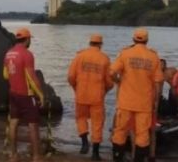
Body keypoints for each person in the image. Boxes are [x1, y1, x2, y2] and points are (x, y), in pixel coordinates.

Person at [110, 28, 164, 162]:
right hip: (144, 104)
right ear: (147, 40)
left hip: (125, 102)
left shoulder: (125, 53)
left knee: (120, 132)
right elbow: (158, 82)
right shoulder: (153, 56)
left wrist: (119, 82)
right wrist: (156, 102)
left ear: (133, 39)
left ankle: (117, 158)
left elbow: (111, 72)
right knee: (142, 135)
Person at [67, 33, 113, 161]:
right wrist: (105, 91)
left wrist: (76, 88)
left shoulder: (79, 56)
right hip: (97, 97)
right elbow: (109, 82)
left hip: (81, 94)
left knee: (80, 118)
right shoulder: (104, 58)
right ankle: (95, 153)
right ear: (100, 44)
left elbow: (70, 76)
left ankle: (84, 142)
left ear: (90, 43)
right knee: (97, 123)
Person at [3, 28, 44, 162]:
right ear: (27, 39)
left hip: (13, 93)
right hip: (26, 95)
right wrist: (41, 95)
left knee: (14, 123)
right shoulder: (27, 54)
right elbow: (31, 77)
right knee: (33, 125)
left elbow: (5, 74)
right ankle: (36, 157)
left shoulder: (8, 53)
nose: (30, 41)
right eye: (29, 39)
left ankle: (13, 155)